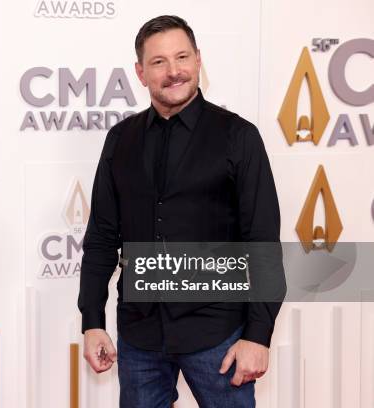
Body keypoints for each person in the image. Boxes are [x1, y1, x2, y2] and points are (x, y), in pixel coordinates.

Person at [77, 15, 285, 408]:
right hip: (139, 338)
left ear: (199, 60)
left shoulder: (238, 137)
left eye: (182, 57)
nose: (174, 72)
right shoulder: (121, 140)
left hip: (218, 336)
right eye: (158, 62)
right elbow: (103, 236)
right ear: (140, 72)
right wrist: (92, 321)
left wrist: (258, 335)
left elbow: (262, 242)